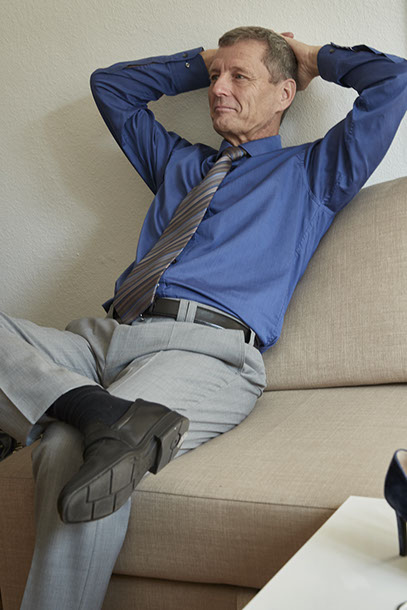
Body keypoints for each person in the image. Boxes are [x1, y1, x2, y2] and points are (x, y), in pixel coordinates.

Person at [0, 25, 406, 609]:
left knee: (69, 448)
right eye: (216, 76)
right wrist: (207, 61)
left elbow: (395, 80)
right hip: (106, 338)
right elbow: (110, 87)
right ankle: (98, 411)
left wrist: (312, 57)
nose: (219, 88)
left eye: (240, 77)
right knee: (86, 429)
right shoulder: (177, 163)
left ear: (285, 94)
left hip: (202, 350)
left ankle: (77, 416)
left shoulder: (314, 172)